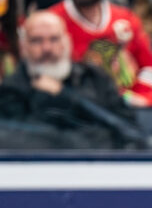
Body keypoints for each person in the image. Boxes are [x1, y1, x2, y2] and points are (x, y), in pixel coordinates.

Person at [0, 9, 140, 148]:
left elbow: (129, 131)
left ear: (67, 42)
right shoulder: (11, 89)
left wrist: (64, 95)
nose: (47, 48)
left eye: (54, 39)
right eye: (37, 40)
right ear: (24, 47)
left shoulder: (96, 79)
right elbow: (15, 141)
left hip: (100, 165)